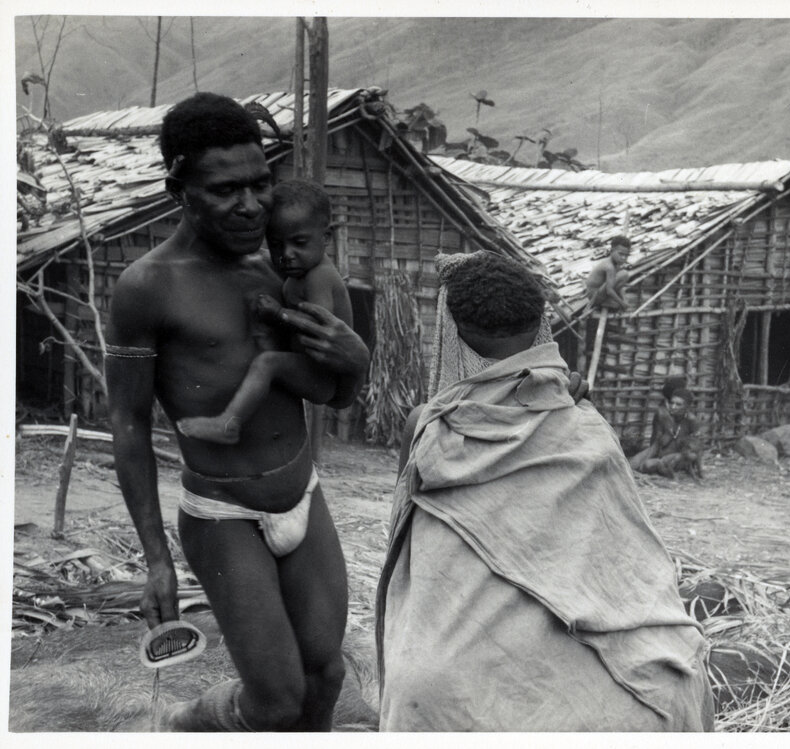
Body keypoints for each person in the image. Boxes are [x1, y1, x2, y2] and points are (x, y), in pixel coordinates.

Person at [106, 92, 370, 731]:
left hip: (302, 495)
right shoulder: (149, 286)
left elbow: (335, 396)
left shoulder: (284, 265)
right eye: (226, 190)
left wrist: (356, 359)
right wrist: (156, 559)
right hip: (223, 513)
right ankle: (187, 721)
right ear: (180, 189)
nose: (251, 204)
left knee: (325, 675)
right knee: (277, 702)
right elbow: (129, 424)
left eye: (260, 183)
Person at [376, 251, 713, 731]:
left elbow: (406, 547)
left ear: (451, 334)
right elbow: (623, 562)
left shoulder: (427, 430)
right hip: (610, 669)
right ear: (541, 332)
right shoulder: (586, 428)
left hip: (437, 680)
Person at [176, 178, 346, 445]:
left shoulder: (319, 277)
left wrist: (279, 315)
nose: (287, 254)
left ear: (326, 237)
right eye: (277, 245)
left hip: (321, 379)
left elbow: (320, 328)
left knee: (267, 362)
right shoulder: (299, 272)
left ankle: (229, 424)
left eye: (299, 243)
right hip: (308, 371)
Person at [629, 382, 703, 479]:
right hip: (662, 456)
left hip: (679, 459)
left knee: (649, 465)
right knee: (629, 465)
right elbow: (656, 445)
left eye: (678, 404)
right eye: (672, 403)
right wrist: (639, 461)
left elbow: (698, 449)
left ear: (687, 407)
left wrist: (700, 471)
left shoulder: (692, 421)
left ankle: (667, 470)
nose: (673, 407)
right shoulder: (664, 417)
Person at [585, 234, 632, 310]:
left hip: (599, 292)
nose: (623, 258)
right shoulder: (609, 267)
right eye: (620, 254)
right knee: (624, 274)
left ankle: (609, 300)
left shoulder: (615, 264)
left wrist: (624, 300)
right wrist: (623, 304)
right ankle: (605, 301)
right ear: (612, 251)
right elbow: (609, 290)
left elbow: (618, 286)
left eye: (626, 255)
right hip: (595, 297)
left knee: (622, 274)